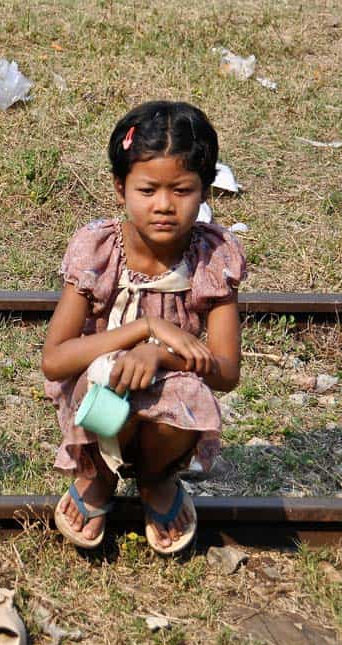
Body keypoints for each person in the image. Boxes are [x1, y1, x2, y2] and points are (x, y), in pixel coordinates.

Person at [41, 101, 246, 554]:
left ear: (206, 191)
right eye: (148, 189)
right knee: (100, 382)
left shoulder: (213, 257)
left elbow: (227, 374)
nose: (164, 206)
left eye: (182, 190)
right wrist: (143, 329)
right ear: (121, 187)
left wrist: (160, 355)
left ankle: (156, 480)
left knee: (190, 394)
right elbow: (54, 361)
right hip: (98, 395)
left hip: (166, 402)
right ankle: (96, 473)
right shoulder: (99, 249)